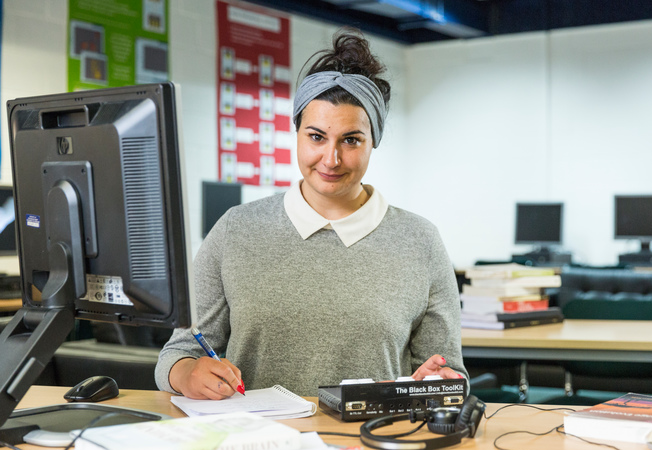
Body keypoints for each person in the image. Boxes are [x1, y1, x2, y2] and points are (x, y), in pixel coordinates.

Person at [155, 29, 467, 399]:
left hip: (376, 448)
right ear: (297, 134)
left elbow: (449, 373)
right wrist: (188, 373)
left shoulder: (421, 241)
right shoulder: (236, 230)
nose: (331, 159)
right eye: (316, 137)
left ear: (373, 143)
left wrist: (437, 383)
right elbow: (176, 355)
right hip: (260, 445)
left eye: (351, 140)